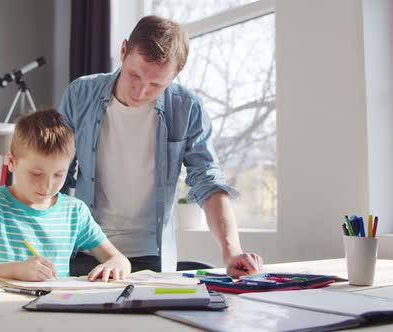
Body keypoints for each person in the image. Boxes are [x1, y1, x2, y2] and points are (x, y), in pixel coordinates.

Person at [58, 15, 263, 277]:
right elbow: (57, 171)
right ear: (123, 51)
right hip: (85, 249)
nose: (140, 92)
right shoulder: (80, 94)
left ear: (175, 76)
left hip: (151, 257)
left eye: (156, 84)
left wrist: (232, 251)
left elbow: (207, 181)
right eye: (134, 75)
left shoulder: (187, 108)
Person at [0, 109, 131, 283]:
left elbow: (120, 260)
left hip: (54, 306)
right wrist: (16, 269)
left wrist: (115, 264)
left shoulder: (74, 212)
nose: (47, 186)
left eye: (58, 175)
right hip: (3, 307)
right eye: (36, 173)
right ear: (11, 162)